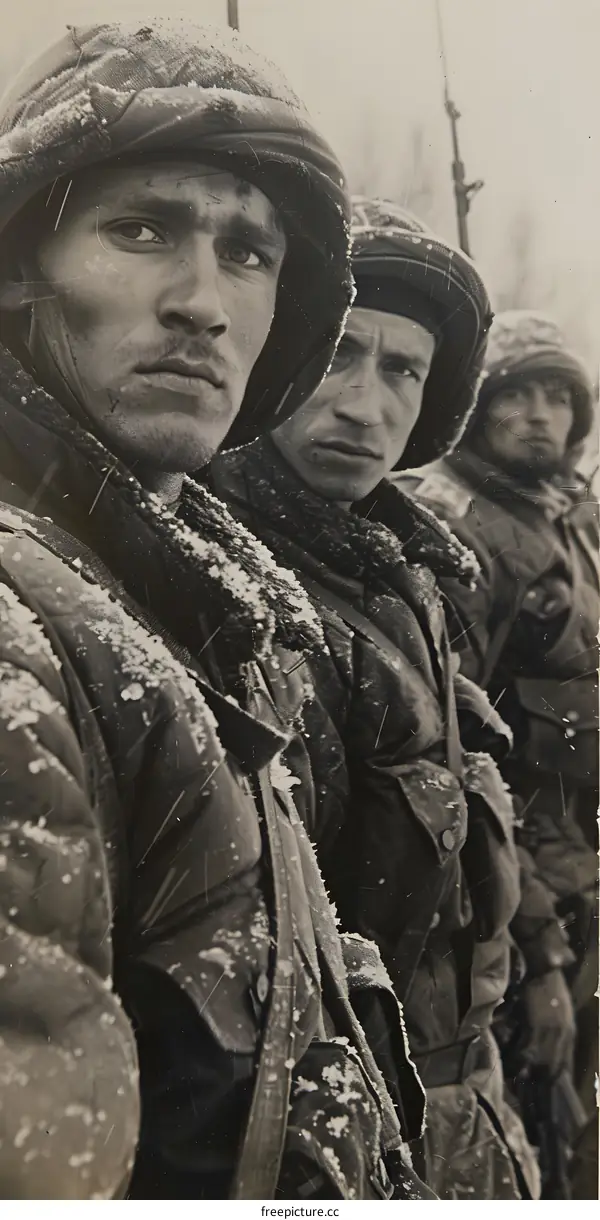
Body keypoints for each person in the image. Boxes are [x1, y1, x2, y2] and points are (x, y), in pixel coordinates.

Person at [0, 25, 427, 1201]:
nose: (200, 302)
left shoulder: (207, 614)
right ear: (18, 265)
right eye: (140, 229)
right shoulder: (24, 633)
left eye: (248, 252)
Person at [211, 198, 545, 1199]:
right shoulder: (237, 595)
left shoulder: (415, 581)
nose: (366, 405)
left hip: (460, 1106)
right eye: (338, 353)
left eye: (403, 369)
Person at [396, 309, 598, 1197]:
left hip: (577, 880)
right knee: (538, 1141)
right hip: (518, 905)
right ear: (473, 408)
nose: (536, 414)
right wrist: (541, 947)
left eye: (557, 396)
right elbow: (461, 752)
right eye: (512, 392)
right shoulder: (464, 528)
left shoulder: (561, 520)